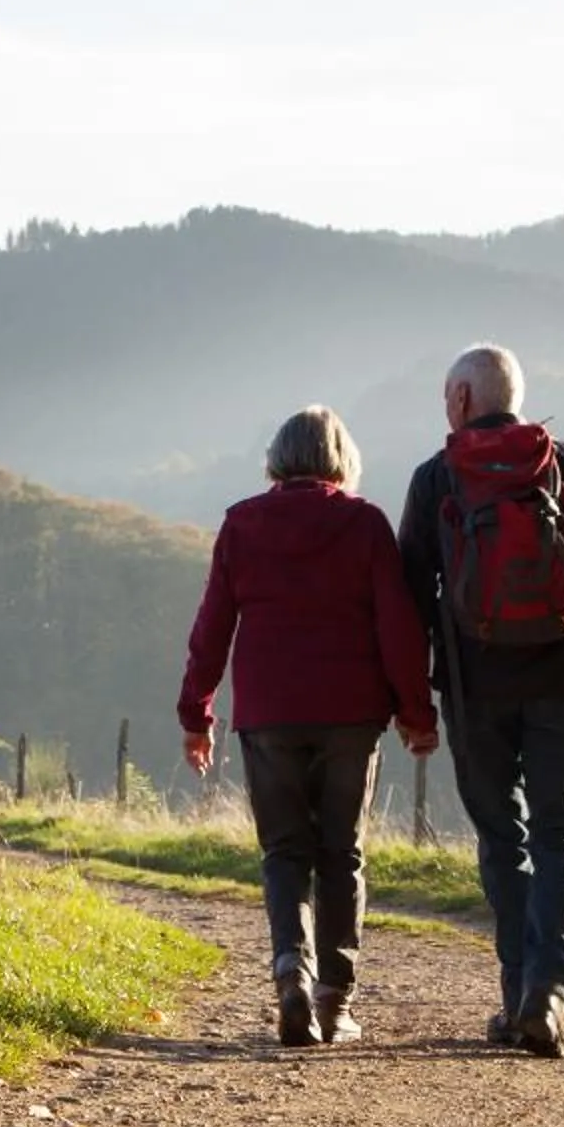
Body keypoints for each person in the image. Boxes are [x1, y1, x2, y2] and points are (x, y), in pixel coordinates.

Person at [399, 343, 564, 1059]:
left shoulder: (437, 478)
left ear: (459, 399)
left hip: (474, 689)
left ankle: (516, 992)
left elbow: (408, 598)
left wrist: (412, 702)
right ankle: (547, 995)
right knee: (560, 836)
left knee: (502, 839)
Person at [179, 406, 439, 1048]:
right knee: (341, 853)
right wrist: (416, 714)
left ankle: (291, 967)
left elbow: (213, 626)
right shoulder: (365, 523)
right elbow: (398, 628)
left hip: (269, 716)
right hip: (352, 714)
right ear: (340, 459)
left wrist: (197, 714)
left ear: (276, 458)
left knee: (284, 853)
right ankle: (334, 1000)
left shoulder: (242, 524)